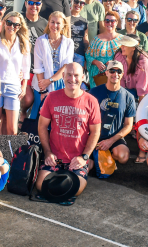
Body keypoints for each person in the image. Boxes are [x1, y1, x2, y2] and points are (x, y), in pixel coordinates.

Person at [36, 63, 101, 203]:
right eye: (69, 75)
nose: (72, 79)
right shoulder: (51, 98)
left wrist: (84, 157)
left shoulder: (91, 101)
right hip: (55, 157)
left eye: (76, 75)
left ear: (83, 77)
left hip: (77, 159)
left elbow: (95, 132)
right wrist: (47, 152)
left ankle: (83, 169)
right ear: (63, 76)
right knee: (41, 186)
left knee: (74, 189)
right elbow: (42, 126)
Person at [88, 60, 135, 168]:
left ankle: (103, 157)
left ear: (122, 74)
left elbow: (128, 125)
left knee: (123, 157)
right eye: (112, 71)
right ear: (106, 73)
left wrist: (110, 141)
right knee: (87, 167)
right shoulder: (94, 92)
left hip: (114, 137)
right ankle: (98, 157)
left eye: (118, 71)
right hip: (93, 135)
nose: (115, 74)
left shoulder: (128, 97)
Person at [0, 12, 31, 135]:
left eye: (16, 24)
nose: (12, 26)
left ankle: (10, 153)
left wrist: (24, 86)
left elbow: (26, 67)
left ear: (19, 26)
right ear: (4, 23)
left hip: (14, 86)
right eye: (9, 23)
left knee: (13, 128)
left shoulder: (23, 42)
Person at [30, 11, 74, 119]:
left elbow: (66, 66)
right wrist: (43, 89)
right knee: (40, 115)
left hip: (60, 83)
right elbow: (38, 67)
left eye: (58, 23)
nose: (55, 26)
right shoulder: (40, 41)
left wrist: (50, 81)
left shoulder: (69, 42)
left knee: (59, 116)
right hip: (42, 82)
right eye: (52, 22)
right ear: (48, 23)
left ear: (63, 25)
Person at [21, 0, 48, 120]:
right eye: (31, 3)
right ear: (26, 3)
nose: (34, 6)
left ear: (41, 5)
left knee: (38, 104)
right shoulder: (18, 20)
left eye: (37, 3)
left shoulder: (45, 24)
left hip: (38, 70)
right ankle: (21, 116)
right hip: (21, 70)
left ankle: (30, 133)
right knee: (27, 99)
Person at [113, 35, 148, 102]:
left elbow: (142, 88)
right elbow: (120, 81)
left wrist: (140, 110)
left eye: (125, 45)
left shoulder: (143, 62)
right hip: (130, 89)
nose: (121, 47)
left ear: (133, 48)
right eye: (122, 44)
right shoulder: (119, 56)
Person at [85, 11, 122, 89]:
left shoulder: (122, 40)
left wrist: (114, 63)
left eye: (112, 21)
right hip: (98, 75)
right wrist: (96, 62)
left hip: (115, 75)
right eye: (107, 21)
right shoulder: (96, 39)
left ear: (116, 22)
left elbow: (126, 57)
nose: (109, 23)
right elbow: (88, 55)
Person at [69, 0, 89, 67]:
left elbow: (85, 40)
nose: (78, 4)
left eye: (82, 3)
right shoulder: (65, 18)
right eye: (76, 1)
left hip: (79, 55)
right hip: (66, 54)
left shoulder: (84, 21)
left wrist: (87, 58)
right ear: (71, 1)